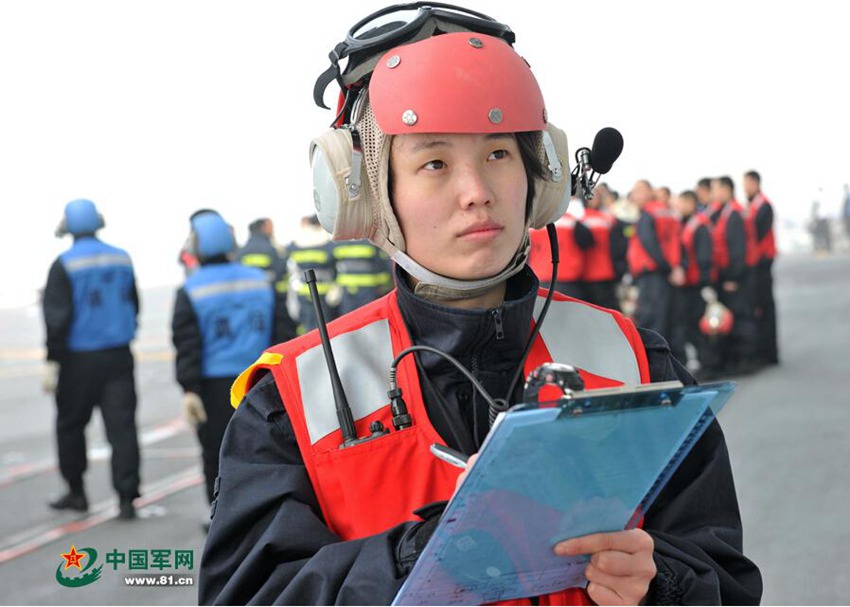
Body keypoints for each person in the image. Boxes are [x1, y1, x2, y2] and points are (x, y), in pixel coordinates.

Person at [199, 6, 761, 605]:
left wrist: (662, 583)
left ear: (540, 177)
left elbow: (725, 578)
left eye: (498, 154)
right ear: (362, 194)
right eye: (434, 163)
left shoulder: (636, 363)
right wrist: (410, 560)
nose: (477, 193)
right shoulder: (290, 405)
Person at [171, 211, 293, 520]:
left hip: (214, 387)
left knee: (217, 452)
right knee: (268, 449)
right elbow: (284, 333)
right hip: (259, 381)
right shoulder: (261, 281)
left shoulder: (191, 290)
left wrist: (188, 389)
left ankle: (221, 516)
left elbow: (187, 343)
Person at [42, 198, 141, 520]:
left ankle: (77, 493)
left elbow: (57, 318)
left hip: (78, 360)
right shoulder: (121, 258)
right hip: (119, 356)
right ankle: (127, 498)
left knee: (70, 426)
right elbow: (133, 304)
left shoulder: (65, 264)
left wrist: (52, 358)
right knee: (122, 428)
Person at [669, 190, 720, 378]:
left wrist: (706, 284)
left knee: (701, 326)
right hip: (688, 285)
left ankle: (710, 363)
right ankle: (703, 360)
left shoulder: (699, 225)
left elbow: (705, 256)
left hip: (698, 284)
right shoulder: (685, 224)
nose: (679, 207)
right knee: (690, 325)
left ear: (691, 203)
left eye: (682, 203)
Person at [709, 176, 758, 374]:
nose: (714, 194)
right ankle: (739, 359)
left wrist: (733, 277)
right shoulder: (727, 212)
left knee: (742, 317)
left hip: (738, 278)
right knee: (736, 317)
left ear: (725, 190)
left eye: (716, 189)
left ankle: (747, 359)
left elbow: (738, 249)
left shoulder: (734, 214)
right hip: (733, 275)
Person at [626, 179, 685, 342]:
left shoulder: (648, 214)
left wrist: (668, 268)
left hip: (653, 275)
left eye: (639, 191)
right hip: (664, 274)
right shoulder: (665, 212)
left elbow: (650, 244)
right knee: (665, 320)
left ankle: (654, 365)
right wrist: (674, 268)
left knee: (651, 322)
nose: (635, 195)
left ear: (650, 192)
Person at [743, 170, 779, 366]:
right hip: (756, 265)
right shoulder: (752, 206)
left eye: (747, 184)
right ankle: (764, 351)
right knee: (760, 309)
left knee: (766, 308)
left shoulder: (764, 206)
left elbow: (755, 234)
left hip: (763, 263)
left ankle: (770, 353)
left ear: (756, 184)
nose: (745, 188)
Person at [285, 214, 340, 333]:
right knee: (325, 331)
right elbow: (334, 266)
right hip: (324, 295)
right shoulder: (326, 241)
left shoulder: (297, 242)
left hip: (303, 294)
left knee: (307, 330)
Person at [527, 202, 592, 300]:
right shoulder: (572, 221)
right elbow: (588, 242)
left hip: (540, 277)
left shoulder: (533, 224)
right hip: (568, 277)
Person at [580, 190, 628, 310]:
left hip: (597, 272)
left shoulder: (580, 218)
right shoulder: (607, 219)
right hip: (594, 272)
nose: (594, 199)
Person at [332, 239, 394, 315]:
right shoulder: (338, 243)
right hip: (347, 293)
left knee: (369, 318)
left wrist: (384, 287)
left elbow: (385, 266)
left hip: (369, 292)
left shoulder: (373, 242)